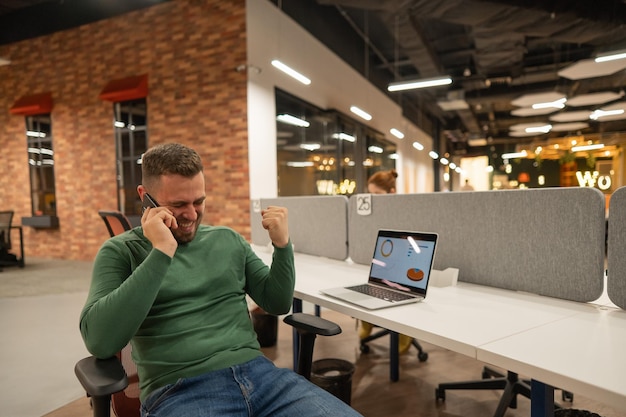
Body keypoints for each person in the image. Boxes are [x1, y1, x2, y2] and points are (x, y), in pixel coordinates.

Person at [79, 143, 362, 417]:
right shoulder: (121, 251)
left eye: (198, 201)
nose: (191, 214)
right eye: (178, 205)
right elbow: (101, 342)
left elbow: (276, 303)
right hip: (179, 391)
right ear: (146, 197)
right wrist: (162, 251)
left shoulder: (228, 240)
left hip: (262, 378)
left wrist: (282, 245)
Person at [360, 169, 413, 354]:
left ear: (391, 192)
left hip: (404, 264)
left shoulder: (407, 209)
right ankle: (366, 323)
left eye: (377, 194)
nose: (373, 199)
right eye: (370, 194)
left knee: (396, 288)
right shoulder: (373, 212)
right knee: (367, 283)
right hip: (379, 262)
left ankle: (405, 333)